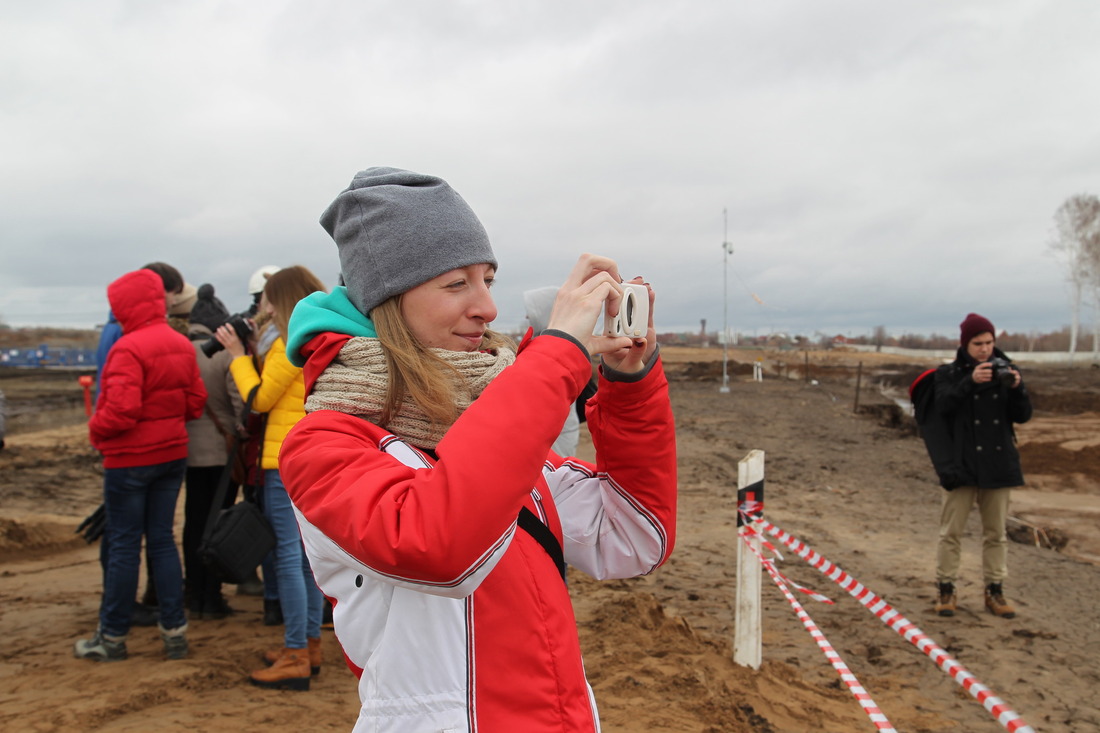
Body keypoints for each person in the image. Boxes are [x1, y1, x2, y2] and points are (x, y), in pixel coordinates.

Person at [279, 166, 678, 731]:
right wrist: (559, 356)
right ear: (388, 301)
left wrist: (629, 386)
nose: (486, 308)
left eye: (487, 279)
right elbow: (440, 546)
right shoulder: (325, 444)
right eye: (456, 283)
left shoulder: (497, 432)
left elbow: (635, 539)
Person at [75, 269, 207, 662]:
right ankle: (174, 632)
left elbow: (121, 411)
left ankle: (112, 637)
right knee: (163, 540)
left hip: (129, 460)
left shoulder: (127, 348)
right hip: (171, 455)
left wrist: (96, 431)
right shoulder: (180, 343)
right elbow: (194, 402)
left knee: (124, 546)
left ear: (123, 306)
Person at [214, 265, 327, 690]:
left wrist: (239, 360)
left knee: (288, 560)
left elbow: (260, 399)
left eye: (266, 300)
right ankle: (308, 646)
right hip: (309, 458)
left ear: (280, 301)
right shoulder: (321, 337)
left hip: (285, 462)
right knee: (304, 560)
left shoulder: (289, 344)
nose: (262, 307)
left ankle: (297, 652)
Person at [933, 313, 1032, 619]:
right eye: (978, 343)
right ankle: (946, 590)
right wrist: (969, 382)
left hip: (998, 463)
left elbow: (1023, 415)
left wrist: (1017, 388)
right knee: (951, 532)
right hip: (961, 465)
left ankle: (995, 591)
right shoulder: (948, 373)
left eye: (989, 342)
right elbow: (943, 406)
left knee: (996, 533)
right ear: (965, 343)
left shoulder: (1007, 370)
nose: (985, 349)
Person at [182, 284, 244, 619]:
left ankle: (192, 591)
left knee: (193, 522)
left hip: (188, 453)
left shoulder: (180, 351)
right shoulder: (222, 356)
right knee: (216, 524)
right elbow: (240, 407)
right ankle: (212, 596)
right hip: (222, 454)